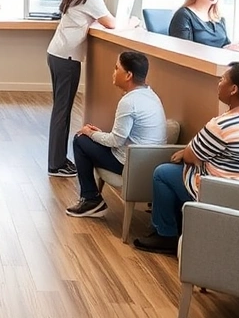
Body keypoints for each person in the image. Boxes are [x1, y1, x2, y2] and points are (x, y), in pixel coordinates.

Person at [134, 62, 239, 254]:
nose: (218, 84)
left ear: (233, 89)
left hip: (229, 196)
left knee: (163, 173)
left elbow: (188, 155)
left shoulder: (222, 124)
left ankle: (165, 235)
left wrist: (195, 157)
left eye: (222, 80)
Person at [66, 51, 167, 217]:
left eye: (116, 68)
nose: (113, 73)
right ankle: (91, 198)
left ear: (128, 75)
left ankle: (91, 199)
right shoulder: (151, 95)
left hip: (130, 164)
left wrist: (90, 134)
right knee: (90, 137)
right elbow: (123, 137)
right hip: (148, 161)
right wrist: (98, 135)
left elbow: (115, 141)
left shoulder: (129, 102)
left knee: (80, 139)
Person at [46, 0, 118, 177]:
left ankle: (58, 160)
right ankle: (56, 164)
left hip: (58, 54)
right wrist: (132, 22)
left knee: (62, 110)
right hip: (66, 58)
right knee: (62, 110)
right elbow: (111, 23)